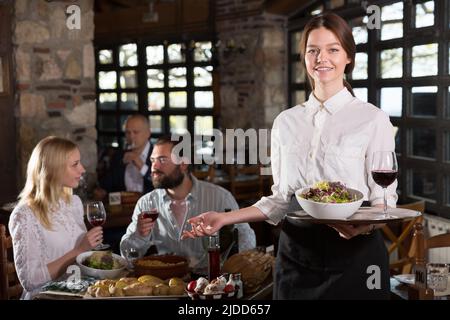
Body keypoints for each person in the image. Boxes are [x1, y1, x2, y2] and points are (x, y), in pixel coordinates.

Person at [183, 12, 398, 300]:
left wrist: (364, 226)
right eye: (313, 50)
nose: (322, 58)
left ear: (348, 56)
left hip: (355, 256)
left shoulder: (373, 119)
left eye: (333, 49)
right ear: (305, 58)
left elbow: (385, 200)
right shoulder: (286, 122)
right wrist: (224, 218)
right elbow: (281, 200)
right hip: (296, 257)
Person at [120, 136, 256, 272]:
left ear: (183, 164)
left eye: (162, 160)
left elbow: (247, 239)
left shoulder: (220, 197)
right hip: (167, 284)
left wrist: (228, 265)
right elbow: (127, 257)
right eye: (152, 160)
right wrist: (139, 235)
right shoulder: (146, 203)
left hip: (209, 282)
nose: (154, 167)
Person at [8, 136, 103, 299]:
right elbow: (29, 280)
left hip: (77, 292)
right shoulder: (24, 215)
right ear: (53, 169)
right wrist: (79, 250)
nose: (82, 169)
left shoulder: (74, 203)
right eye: (75, 164)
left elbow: (81, 258)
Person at [96, 114, 154, 198]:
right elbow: (105, 186)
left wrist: (142, 166)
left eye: (135, 132)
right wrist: (120, 165)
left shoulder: (158, 155)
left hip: (151, 208)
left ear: (148, 133)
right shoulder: (119, 156)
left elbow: (163, 185)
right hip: (124, 209)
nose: (131, 137)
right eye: (128, 132)